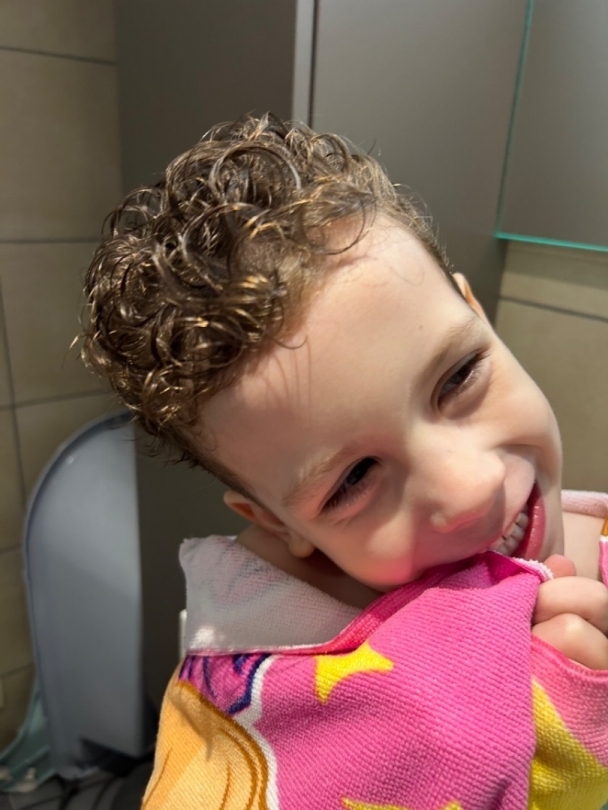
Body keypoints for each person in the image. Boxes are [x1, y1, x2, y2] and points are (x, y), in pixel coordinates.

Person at [82, 114, 608, 809]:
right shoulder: (238, 724)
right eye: (355, 479)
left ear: (475, 311)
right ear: (276, 523)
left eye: (458, 377)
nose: (472, 487)